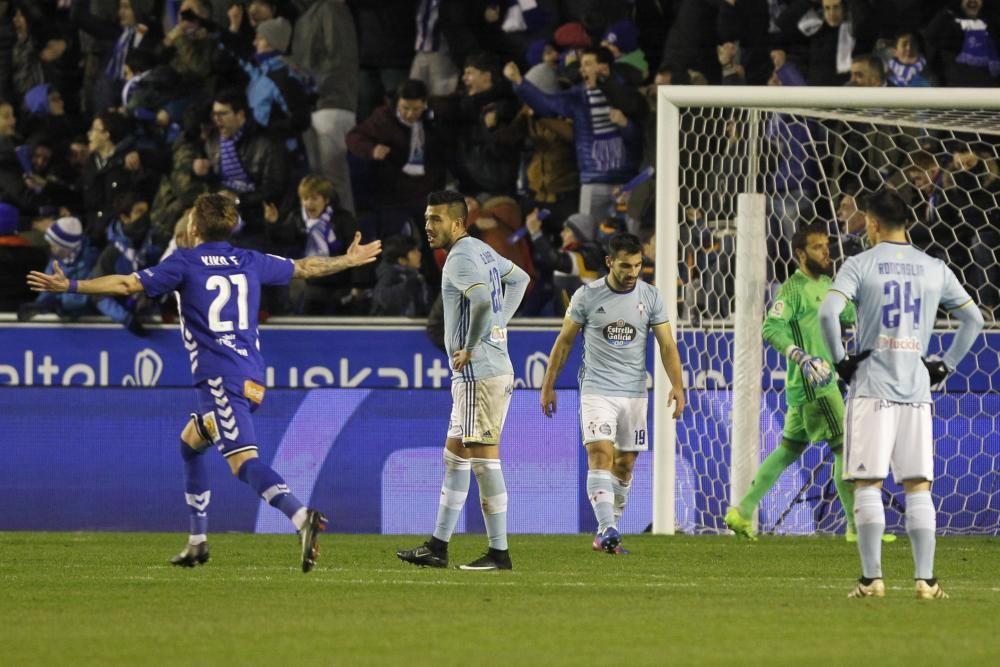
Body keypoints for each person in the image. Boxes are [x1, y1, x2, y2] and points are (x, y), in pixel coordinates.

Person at [27, 193, 382, 572]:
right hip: (252, 379)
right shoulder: (250, 260)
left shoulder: (184, 263)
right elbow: (305, 267)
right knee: (190, 444)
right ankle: (198, 541)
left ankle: (300, 517)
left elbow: (128, 284)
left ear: (194, 227)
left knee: (242, 462)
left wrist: (71, 286)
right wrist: (348, 259)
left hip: (221, 379)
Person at [818, 187, 984, 599]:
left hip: (871, 388)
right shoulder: (934, 268)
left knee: (868, 484)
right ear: (907, 222)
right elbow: (974, 319)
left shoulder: (859, 264)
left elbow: (827, 312)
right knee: (918, 487)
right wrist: (944, 365)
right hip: (915, 390)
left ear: (872, 223)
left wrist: (841, 359)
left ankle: (872, 580)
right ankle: (926, 581)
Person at [724, 222, 895, 544]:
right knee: (845, 447)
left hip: (815, 383)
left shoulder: (829, 283)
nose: (825, 251)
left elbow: (844, 317)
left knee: (788, 450)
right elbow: (771, 329)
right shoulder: (792, 289)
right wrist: (801, 356)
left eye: (827, 245)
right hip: (817, 383)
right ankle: (856, 528)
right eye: (818, 247)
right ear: (801, 253)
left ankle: (742, 511)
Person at [396, 190, 529, 571]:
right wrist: (499, 325)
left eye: (435, 219)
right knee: (455, 458)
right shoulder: (481, 250)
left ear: (457, 223)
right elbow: (519, 278)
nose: (428, 226)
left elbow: (484, 301)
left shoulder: (458, 261)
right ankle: (437, 546)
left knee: (483, 460)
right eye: (426, 218)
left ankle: (499, 553)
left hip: (479, 373)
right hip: (486, 370)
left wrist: (471, 344)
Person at [538, 233, 685, 555]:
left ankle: (607, 530)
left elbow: (667, 345)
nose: (633, 272)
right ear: (609, 263)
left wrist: (677, 385)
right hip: (596, 390)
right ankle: (607, 528)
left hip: (634, 393)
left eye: (637, 265)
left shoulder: (652, 296)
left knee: (625, 465)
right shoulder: (587, 296)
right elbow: (564, 342)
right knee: (601, 455)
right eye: (625, 266)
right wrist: (549, 385)